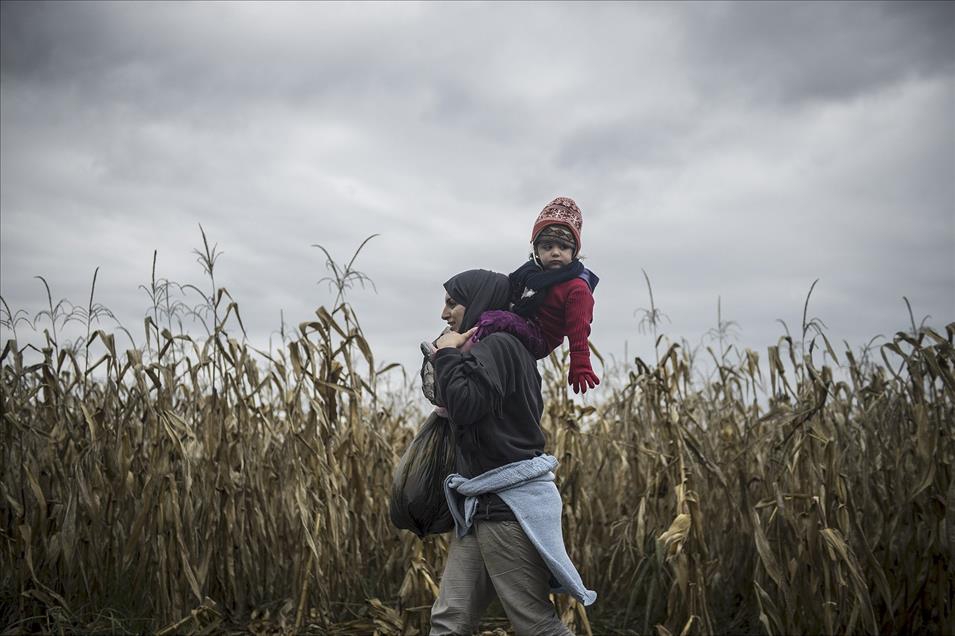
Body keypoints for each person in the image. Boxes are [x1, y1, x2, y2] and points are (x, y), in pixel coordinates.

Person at [425, 269, 596, 636]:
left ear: (478, 302)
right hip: (480, 505)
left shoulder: (499, 346)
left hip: (505, 509)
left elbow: (467, 405)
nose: (444, 314)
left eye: (452, 302)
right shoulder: (496, 347)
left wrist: (447, 356)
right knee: (449, 620)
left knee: (534, 623)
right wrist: (449, 357)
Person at [471, 196, 600, 394]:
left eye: (563, 247)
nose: (555, 252)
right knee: (485, 312)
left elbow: (579, 328)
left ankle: (463, 359)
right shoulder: (530, 274)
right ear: (537, 251)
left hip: (541, 337)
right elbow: (510, 290)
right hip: (524, 321)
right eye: (547, 247)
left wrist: (580, 362)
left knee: (495, 320)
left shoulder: (577, 288)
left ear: (574, 252)